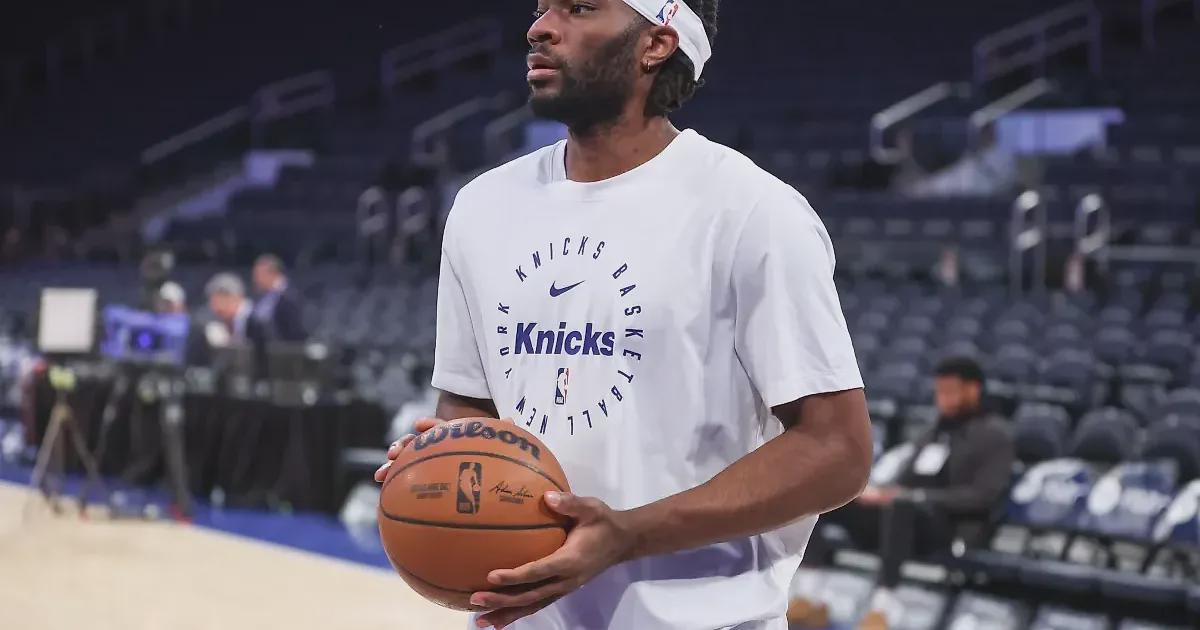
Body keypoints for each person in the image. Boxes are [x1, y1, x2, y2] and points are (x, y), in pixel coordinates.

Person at [375, 2, 873, 629]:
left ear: (655, 44)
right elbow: (470, 406)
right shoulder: (481, 207)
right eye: (542, 7)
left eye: (579, 8)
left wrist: (629, 533)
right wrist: (441, 459)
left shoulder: (753, 212)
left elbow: (837, 449)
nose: (540, 27)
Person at [792, 357, 1013, 627]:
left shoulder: (996, 435)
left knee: (901, 506)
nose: (942, 399)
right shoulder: (935, 431)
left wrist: (915, 498)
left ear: (973, 389)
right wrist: (875, 494)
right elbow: (904, 480)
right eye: (939, 392)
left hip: (949, 526)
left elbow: (983, 497)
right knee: (827, 497)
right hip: (902, 520)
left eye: (950, 392)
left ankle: (882, 610)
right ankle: (809, 596)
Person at [250, 254, 307, 342]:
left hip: (288, 346)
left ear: (272, 274)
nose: (255, 280)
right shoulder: (264, 297)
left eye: (258, 275)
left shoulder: (291, 296)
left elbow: (295, 329)